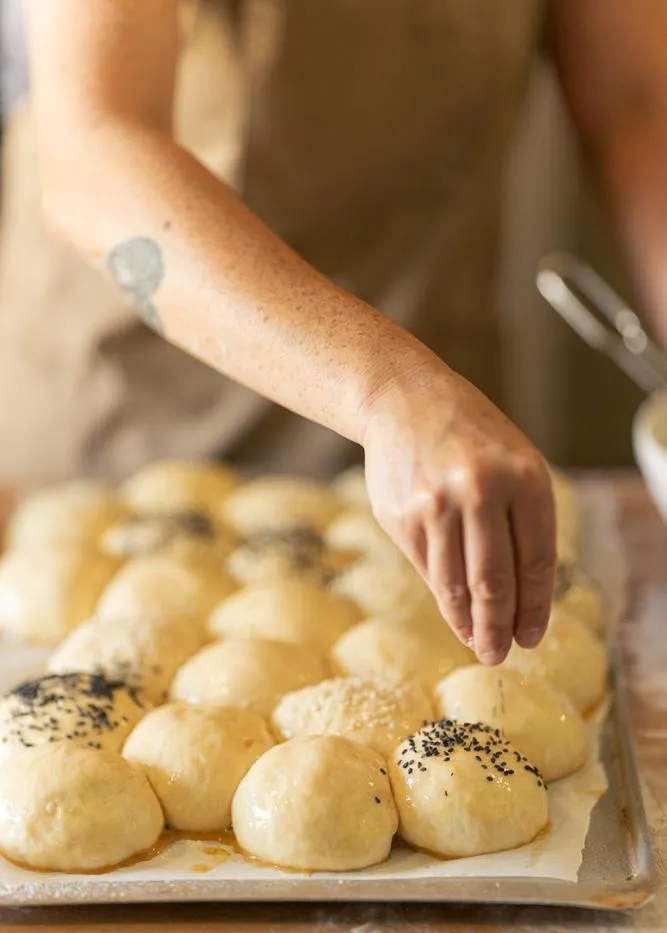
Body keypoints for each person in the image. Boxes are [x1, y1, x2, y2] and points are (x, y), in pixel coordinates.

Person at [1, 1, 662, 665]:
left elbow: (635, 102)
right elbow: (92, 149)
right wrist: (387, 390)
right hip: (126, 436)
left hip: (438, 441)